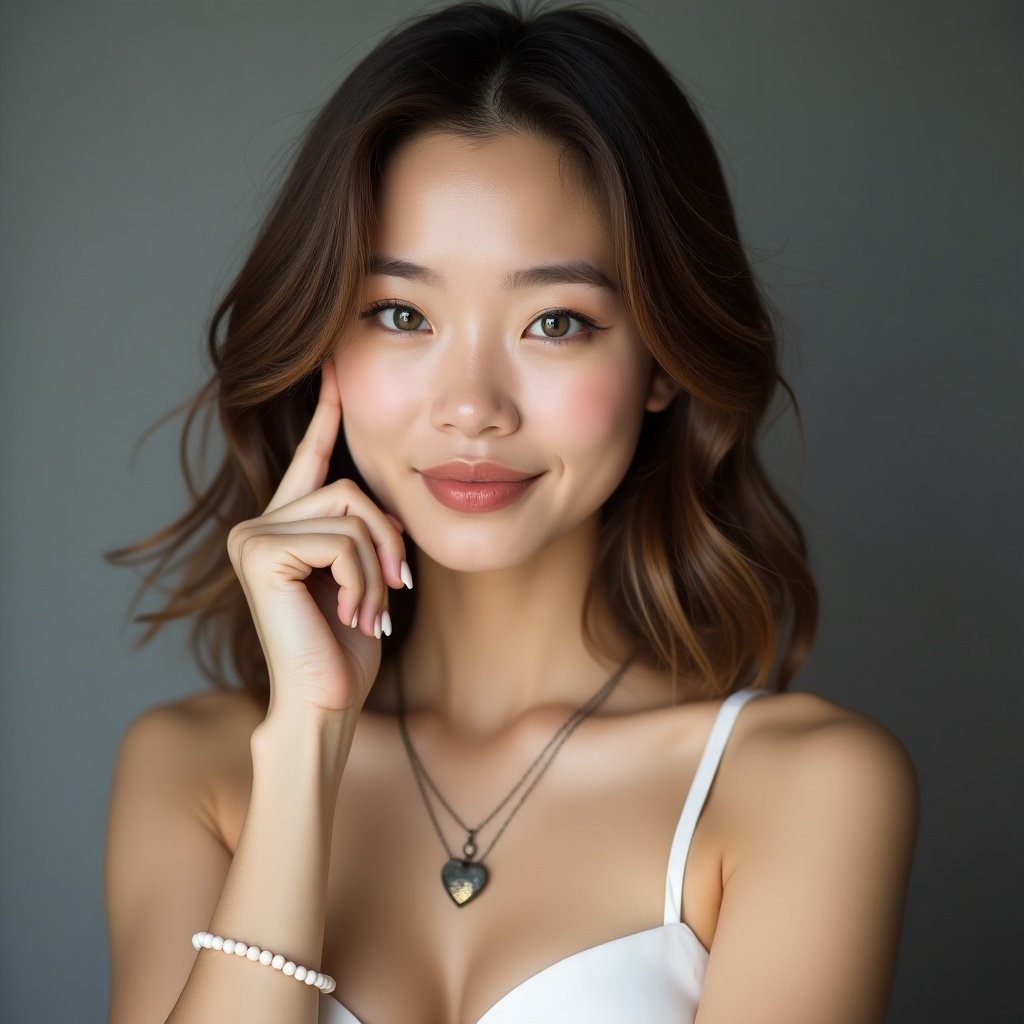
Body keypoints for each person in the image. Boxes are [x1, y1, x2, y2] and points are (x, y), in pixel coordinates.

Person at [103, 2, 918, 1022]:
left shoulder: (801, 788)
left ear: (659, 359)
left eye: (556, 322)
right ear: (326, 345)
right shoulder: (195, 768)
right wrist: (307, 741)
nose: (472, 406)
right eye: (402, 314)